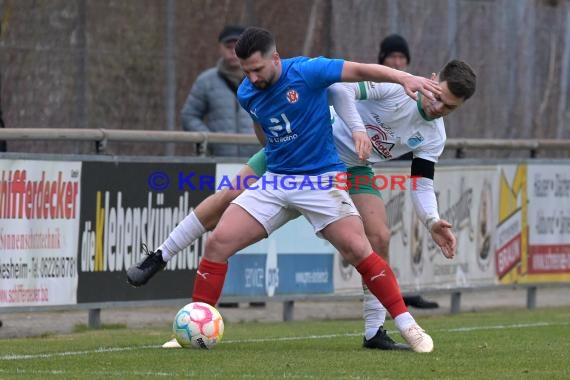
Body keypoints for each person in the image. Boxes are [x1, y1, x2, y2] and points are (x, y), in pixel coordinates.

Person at [131, 26, 443, 352]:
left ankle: (407, 326)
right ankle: (192, 328)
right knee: (218, 242)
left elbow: (359, 70)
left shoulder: (307, 71)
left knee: (361, 249)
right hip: (278, 179)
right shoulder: (246, 92)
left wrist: (403, 79)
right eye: (246, 71)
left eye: (258, 69)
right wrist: (277, 152)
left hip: (321, 180)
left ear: (275, 58)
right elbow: (261, 124)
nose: (252, 77)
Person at [376, 34, 439, 310]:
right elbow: (342, 90)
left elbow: (422, 184)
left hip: (356, 169)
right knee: (227, 196)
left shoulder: (435, 134)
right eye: (393, 57)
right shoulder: (389, 87)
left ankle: (380, 322)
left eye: (403, 58)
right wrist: (355, 128)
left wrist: (433, 220)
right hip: (310, 149)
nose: (440, 110)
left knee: (379, 237)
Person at [180, 25, 259, 157]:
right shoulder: (206, 81)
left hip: (257, 161)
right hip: (218, 160)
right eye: (228, 47)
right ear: (220, 48)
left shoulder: (262, 79)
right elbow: (189, 116)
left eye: (238, 47)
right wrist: (209, 139)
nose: (233, 51)